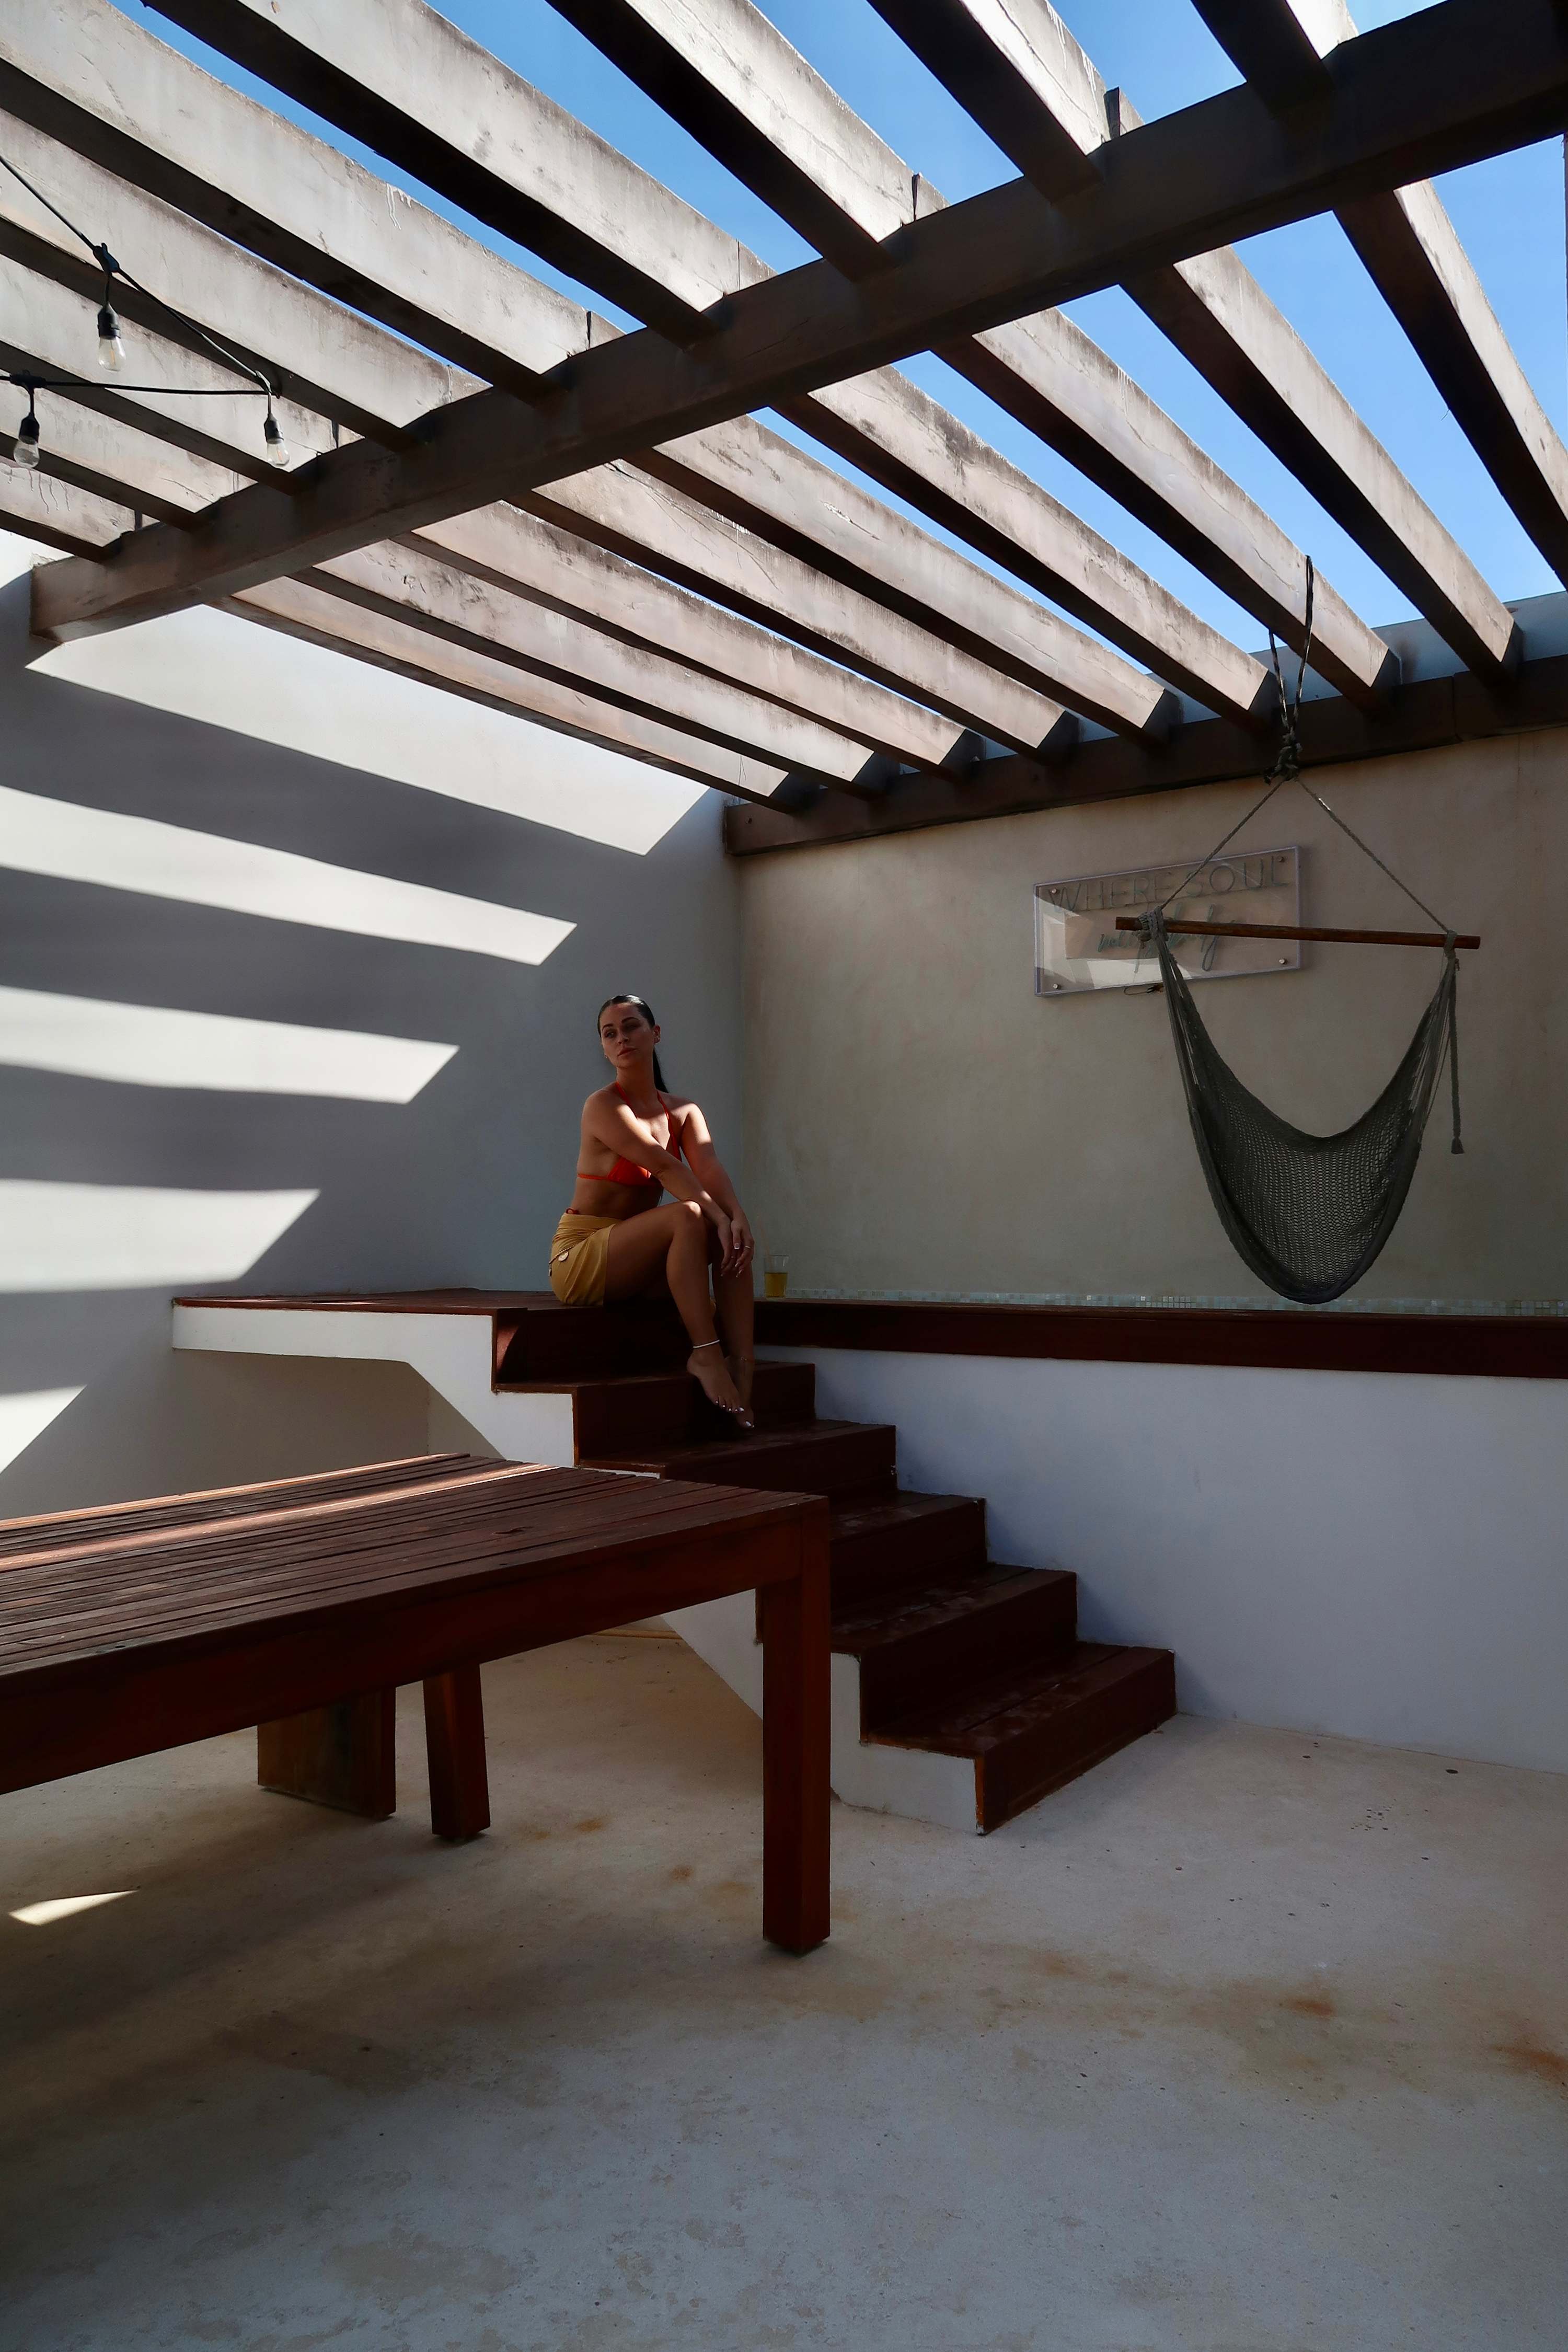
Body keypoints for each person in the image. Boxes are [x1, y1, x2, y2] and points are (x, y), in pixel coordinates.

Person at [548, 995, 757, 1430]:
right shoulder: (604, 1106)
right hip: (581, 1257)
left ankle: (743, 1364)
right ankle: (706, 1354)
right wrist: (717, 1217)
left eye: (632, 1027)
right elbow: (665, 1167)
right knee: (688, 1215)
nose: (621, 1039)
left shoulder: (683, 1111)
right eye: (610, 1034)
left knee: (733, 1235)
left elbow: (709, 1168)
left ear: (655, 1033)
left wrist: (735, 1217)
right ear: (604, 1048)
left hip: (641, 1265)